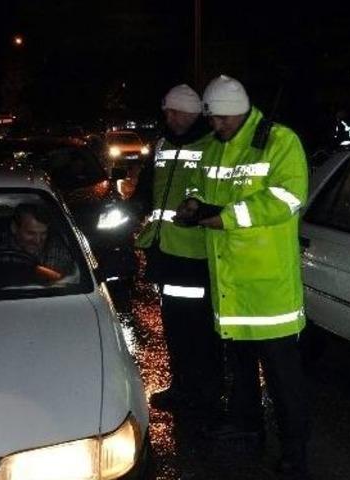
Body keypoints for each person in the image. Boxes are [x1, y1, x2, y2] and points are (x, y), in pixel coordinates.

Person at [176, 75, 310, 479]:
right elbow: (204, 188)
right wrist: (195, 204)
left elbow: (287, 197)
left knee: (285, 382)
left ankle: (295, 452)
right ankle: (249, 429)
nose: (215, 126)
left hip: (269, 291)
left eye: (221, 119)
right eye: (212, 119)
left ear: (239, 110)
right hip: (231, 287)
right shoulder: (217, 148)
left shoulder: (279, 140)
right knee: (242, 372)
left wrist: (225, 217)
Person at [132, 84, 222, 412]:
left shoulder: (212, 146)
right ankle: (183, 386)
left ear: (195, 112)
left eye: (177, 111)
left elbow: (218, 195)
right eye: (167, 111)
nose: (170, 117)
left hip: (195, 253)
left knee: (200, 328)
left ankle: (207, 393)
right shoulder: (162, 143)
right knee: (174, 324)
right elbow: (148, 187)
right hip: (166, 251)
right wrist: (134, 208)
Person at [0, 203, 73, 277]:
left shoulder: (57, 250)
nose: (38, 241)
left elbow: (63, 282)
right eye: (31, 233)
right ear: (14, 228)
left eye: (43, 234)